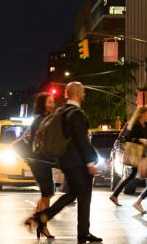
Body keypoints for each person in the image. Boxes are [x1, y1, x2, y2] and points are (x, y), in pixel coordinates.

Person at [29, 82, 101, 243]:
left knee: (74, 194)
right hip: (78, 163)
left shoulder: (61, 111)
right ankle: (81, 233)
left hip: (65, 162)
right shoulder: (75, 113)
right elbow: (81, 141)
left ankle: (81, 231)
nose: (84, 94)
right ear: (77, 93)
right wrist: (90, 164)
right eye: (83, 91)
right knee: (83, 197)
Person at [23, 93, 56, 238]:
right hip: (39, 161)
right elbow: (38, 142)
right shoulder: (41, 120)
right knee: (47, 194)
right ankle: (38, 223)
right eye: (50, 101)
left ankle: (39, 223)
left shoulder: (43, 119)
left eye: (53, 101)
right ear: (43, 104)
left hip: (41, 161)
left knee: (46, 194)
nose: (53, 104)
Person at [110, 106, 147, 206]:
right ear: (141, 114)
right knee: (144, 175)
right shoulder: (135, 124)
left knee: (138, 175)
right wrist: (140, 140)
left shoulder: (143, 124)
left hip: (142, 154)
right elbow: (127, 138)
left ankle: (115, 195)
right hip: (137, 154)